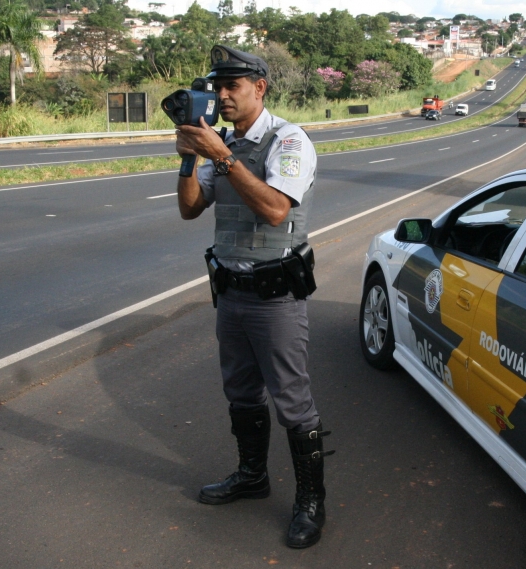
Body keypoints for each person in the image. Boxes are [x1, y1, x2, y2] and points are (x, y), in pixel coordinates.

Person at [173, 45, 332, 550]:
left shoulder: (289, 142)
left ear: (259, 88)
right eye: (217, 87)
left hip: (275, 295)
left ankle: (311, 501)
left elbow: (275, 211)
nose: (221, 96)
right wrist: (187, 161)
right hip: (232, 292)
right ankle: (251, 475)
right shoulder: (222, 142)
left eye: (232, 87)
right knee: (240, 392)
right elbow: (190, 210)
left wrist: (220, 157)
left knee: (292, 401)